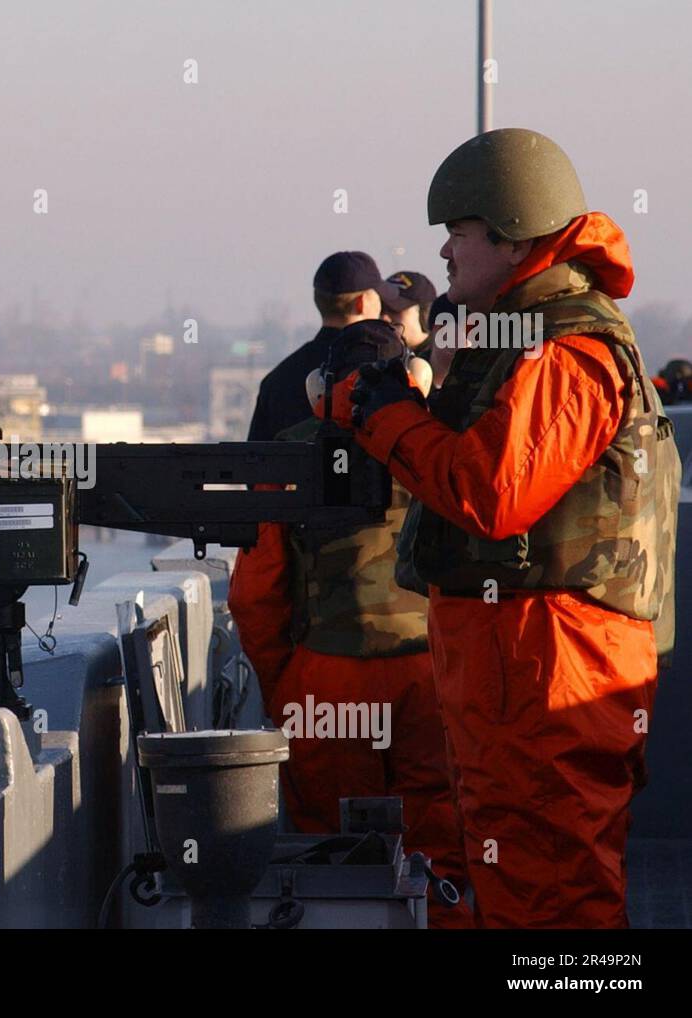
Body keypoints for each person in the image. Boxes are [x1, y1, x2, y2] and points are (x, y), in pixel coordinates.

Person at [337, 127, 679, 928]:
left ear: (511, 230)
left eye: (458, 234)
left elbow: (493, 492)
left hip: (549, 660)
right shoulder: (523, 335)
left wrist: (385, 418)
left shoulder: (565, 347)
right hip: (519, 659)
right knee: (518, 873)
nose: (447, 255)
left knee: (552, 888)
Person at [229, 319, 471, 928]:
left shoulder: (289, 453)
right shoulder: (444, 443)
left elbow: (258, 595)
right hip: (431, 676)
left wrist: (287, 686)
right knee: (440, 853)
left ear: (320, 387)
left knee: (331, 857)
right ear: (414, 379)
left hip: (324, 682)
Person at [246, 252, 408, 441]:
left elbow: (255, 459)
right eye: (379, 297)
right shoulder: (384, 368)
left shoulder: (276, 380)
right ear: (361, 303)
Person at [382, 270, 438, 355]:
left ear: (426, 315)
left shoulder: (444, 362)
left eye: (395, 310)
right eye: (382, 309)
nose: (384, 318)